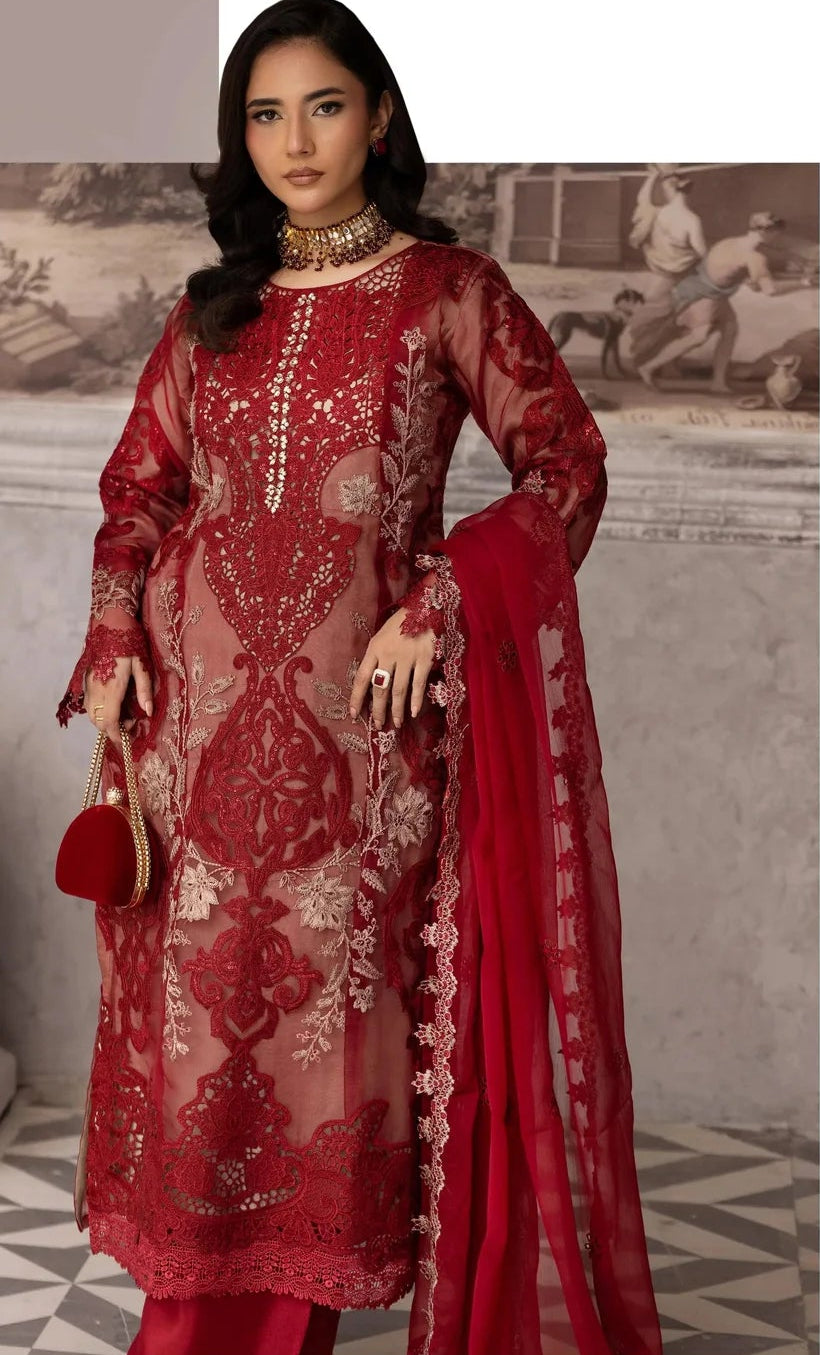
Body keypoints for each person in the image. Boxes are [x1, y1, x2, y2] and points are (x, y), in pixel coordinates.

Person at [56, 3, 664, 1353]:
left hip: (357, 758)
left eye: (323, 106)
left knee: (323, 1050)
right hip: (190, 750)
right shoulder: (208, 311)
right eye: (264, 116)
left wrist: (440, 605)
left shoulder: (451, 292)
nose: (293, 141)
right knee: (204, 1048)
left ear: (377, 115)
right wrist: (112, 641)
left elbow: (566, 467)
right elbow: (137, 494)